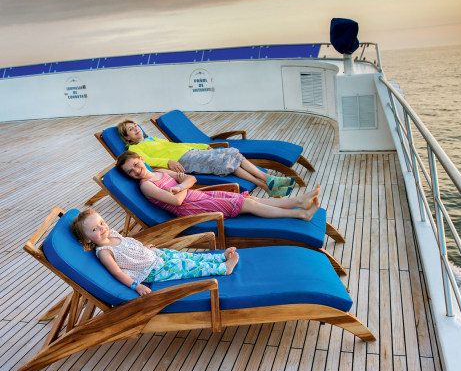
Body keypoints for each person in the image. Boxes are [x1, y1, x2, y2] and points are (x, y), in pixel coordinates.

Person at [70, 208, 239, 296]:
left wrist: (145, 249)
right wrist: (136, 286)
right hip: (152, 271)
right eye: (94, 229)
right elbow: (117, 273)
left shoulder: (112, 233)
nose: (102, 228)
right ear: (87, 240)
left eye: (101, 222)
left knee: (188, 256)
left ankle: (218, 258)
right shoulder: (105, 252)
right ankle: (223, 269)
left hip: (155, 255)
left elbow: (128, 247)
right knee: (187, 268)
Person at [116, 151, 321, 222]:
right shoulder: (147, 186)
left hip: (196, 196)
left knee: (249, 199)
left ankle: (298, 201)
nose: (135, 171)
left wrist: (181, 186)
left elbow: (190, 179)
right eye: (130, 172)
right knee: (247, 205)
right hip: (192, 208)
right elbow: (178, 200)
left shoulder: (161, 172)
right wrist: (182, 188)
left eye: (136, 165)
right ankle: (299, 214)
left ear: (141, 159)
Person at [116, 118, 294, 196]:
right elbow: (147, 162)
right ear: (127, 138)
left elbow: (176, 145)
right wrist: (168, 162)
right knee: (228, 160)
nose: (136, 129)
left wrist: (202, 146)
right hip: (184, 162)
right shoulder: (134, 149)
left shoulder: (153, 139)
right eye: (131, 129)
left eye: (136, 125)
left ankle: (267, 182)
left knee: (234, 153)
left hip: (192, 153)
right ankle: (268, 182)